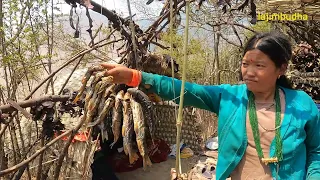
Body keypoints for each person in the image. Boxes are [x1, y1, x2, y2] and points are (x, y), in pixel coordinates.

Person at [99, 32, 320, 179]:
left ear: (280, 69)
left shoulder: (301, 104)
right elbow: (188, 91)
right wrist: (134, 76)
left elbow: (316, 151)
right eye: (245, 64)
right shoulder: (228, 97)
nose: (249, 72)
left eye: (259, 65)